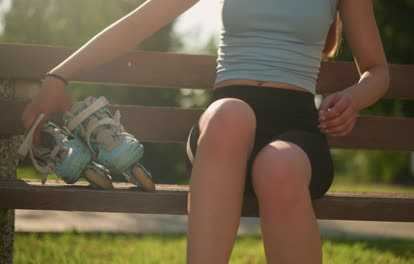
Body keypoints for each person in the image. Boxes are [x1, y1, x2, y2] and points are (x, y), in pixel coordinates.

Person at [22, 0, 390, 263]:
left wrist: (354, 98)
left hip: (296, 133)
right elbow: (139, 21)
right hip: (224, 134)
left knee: (280, 167)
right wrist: (59, 75)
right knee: (231, 115)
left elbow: (376, 70)